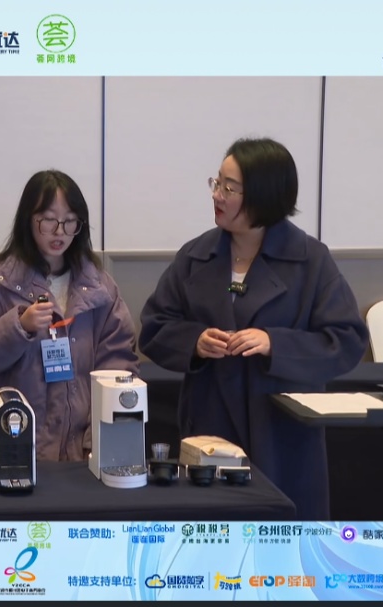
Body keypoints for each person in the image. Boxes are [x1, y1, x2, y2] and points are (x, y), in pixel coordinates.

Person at [138, 138, 370, 520]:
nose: (217, 195)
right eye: (217, 183)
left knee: (281, 541)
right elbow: (154, 326)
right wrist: (194, 341)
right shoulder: (196, 255)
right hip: (209, 426)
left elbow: (346, 340)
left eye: (230, 188)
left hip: (280, 433)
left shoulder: (310, 260)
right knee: (212, 540)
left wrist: (274, 343)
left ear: (264, 196)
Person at [0, 169, 139, 461]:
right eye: (49, 220)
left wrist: (96, 441)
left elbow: (118, 367)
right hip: (15, 450)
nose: (60, 231)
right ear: (28, 219)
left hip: (82, 456)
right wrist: (18, 326)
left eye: (70, 221)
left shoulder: (100, 287)